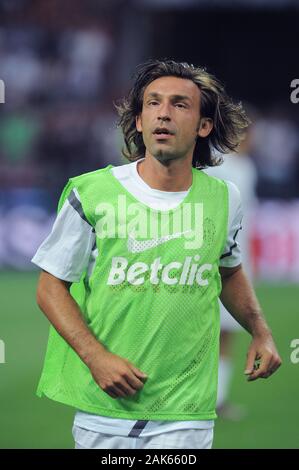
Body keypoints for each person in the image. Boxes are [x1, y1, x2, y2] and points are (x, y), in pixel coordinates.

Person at [31, 59, 282, 450]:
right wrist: (96, 358)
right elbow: (50, 287)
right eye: (153, 103)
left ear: (203, 126)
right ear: (138, 121)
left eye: (180, 104)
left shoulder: (223, 198)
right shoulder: (91, 193)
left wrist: (261, 332)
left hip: (187, 414)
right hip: (105, 411)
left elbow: (229, 271)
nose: (164, 113)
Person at [204, 122, 258, 419]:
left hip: (236, 262)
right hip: (210, 262)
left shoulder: (245, 166)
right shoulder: (215, 164)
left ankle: (218, 397)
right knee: (208, 332)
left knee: (226, 332)